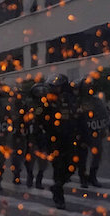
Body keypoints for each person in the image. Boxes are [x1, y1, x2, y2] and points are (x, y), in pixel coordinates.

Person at [40, 73, 87, 209]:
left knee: (72, 166)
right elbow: (41, 121)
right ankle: (59, 197)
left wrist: (84, 137)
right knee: (58, 167)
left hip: (70, 138)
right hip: (54, 140)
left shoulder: (72, 100)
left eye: (58, 87)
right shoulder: (47, 102)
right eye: (53, 87)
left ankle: (58, 185)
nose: (56, 89)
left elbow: (80, 119)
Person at [77, 76, 110, 187]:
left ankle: (92, 176)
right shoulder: (78, 101)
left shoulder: (97, 101)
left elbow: (104, 115)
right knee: (82, 156)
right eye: (86, 85)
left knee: (97, 154)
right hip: (82, 133)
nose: (88, 87)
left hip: (95, 131)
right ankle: (83, 178)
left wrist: (105, 128)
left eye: (90, 85)